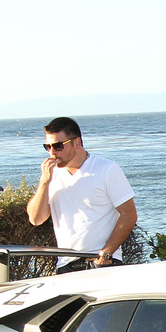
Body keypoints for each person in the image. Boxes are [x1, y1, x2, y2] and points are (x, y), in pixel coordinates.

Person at [25, 116, 137, 273]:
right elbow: (36, 219)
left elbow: (129, 214)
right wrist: (44, 182)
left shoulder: (107, 169)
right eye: (47, 147)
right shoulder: (51, 175)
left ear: (76, 142)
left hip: (103, 263)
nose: (52, 152)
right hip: (66, 264)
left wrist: (106, 253)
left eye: (57, 146)